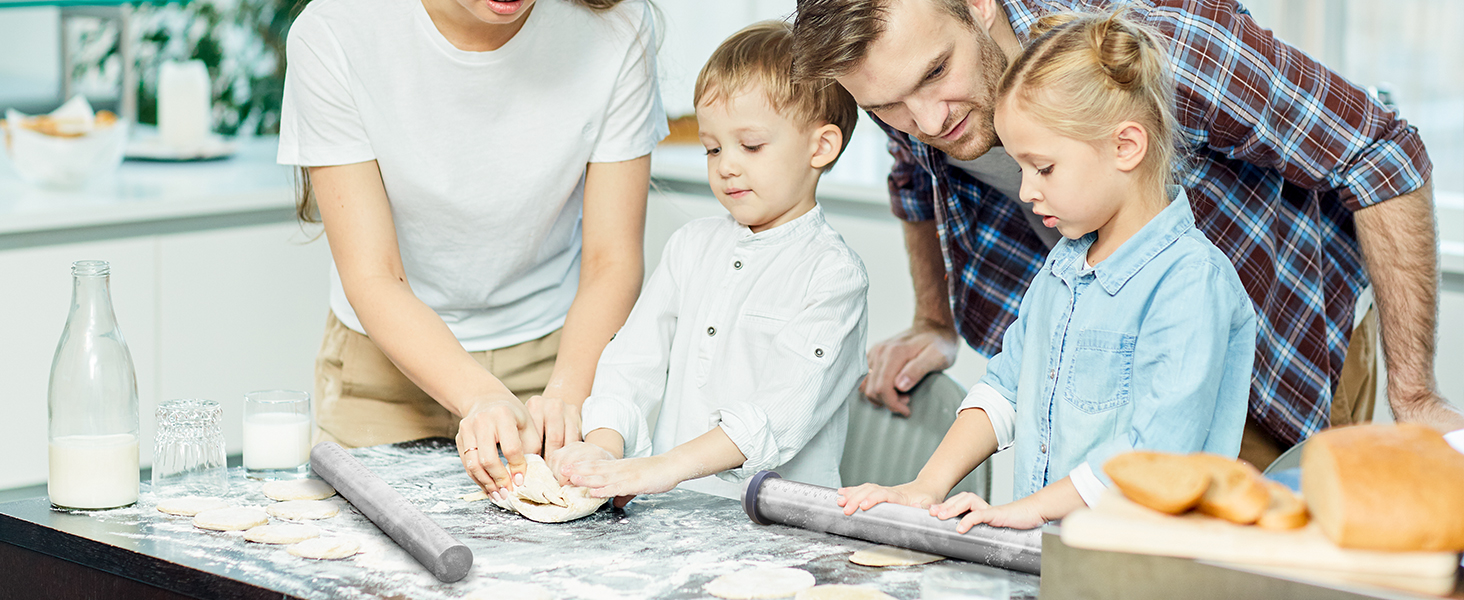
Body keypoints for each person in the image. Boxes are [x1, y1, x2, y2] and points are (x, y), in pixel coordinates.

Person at [792, 0, 1459, 469]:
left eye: (938, 74)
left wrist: (1415, 395)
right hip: (1102, 351)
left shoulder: (1165, 46)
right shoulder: (896, 83)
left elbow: (1382, 154)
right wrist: (931, 320)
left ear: (979, 5)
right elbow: (915, 173)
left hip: (1280, 334)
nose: (929, 121)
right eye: (886, 106)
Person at [838, 9, 1255, 529]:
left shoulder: (1192, 283)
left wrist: (1026, 512)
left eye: (1044, 168)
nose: (1027, 190)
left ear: (1125, 146)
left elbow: (1155, 456)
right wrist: (927, 485)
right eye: (1022, 166)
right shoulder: (1063, 265)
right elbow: (1004, 386)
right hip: (1056, 564)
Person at [276, 0, 667, 496]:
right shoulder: (334, 30)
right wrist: (480, 395)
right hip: (383, 372)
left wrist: (568, 394)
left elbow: (611, 261)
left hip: (556, 359)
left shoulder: (617, 27)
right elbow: (373, 275)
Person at [546, 20, 869, 503]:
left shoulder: (833, 277)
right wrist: (604, 448)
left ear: (820, 147)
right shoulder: (690, 246)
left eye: (751, 145)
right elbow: (632, 364)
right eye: (712, 148)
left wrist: (660, 469)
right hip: (677, 518)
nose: (726, 165)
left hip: (782, 538)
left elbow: (777, 414)